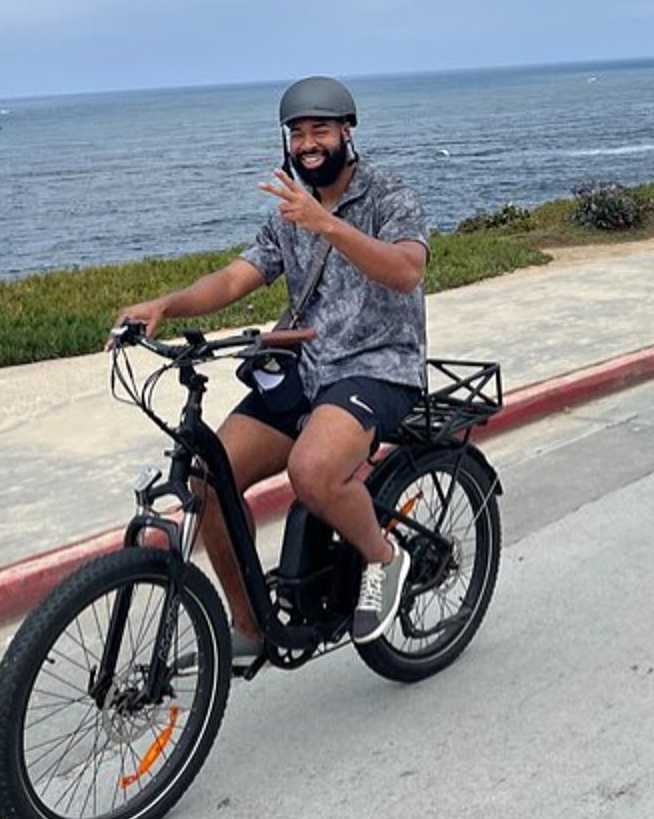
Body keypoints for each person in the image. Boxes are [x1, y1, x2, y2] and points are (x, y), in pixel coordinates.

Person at [113, 76, 431, 660]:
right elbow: (237, 277)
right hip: (306, 368)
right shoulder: (288, 211)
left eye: (320, 130)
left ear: (346, 133)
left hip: (378, 366)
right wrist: (168, 304)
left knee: (312, 472)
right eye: (297, 132)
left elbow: (407, 271)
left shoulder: (390, 197)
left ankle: (385, 560)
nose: (307, 142)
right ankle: (251, 624)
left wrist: (329, 223)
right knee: (208, 480)